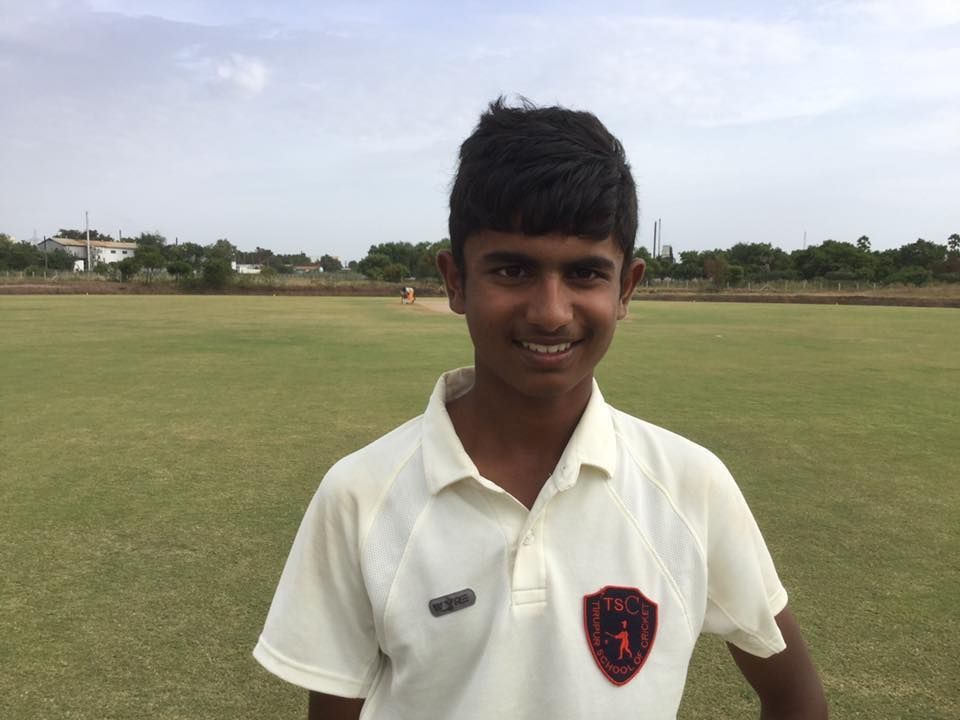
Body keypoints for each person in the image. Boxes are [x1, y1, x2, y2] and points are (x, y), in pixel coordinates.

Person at [253, 98, 827, 719]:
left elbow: (795, 699)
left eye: (584, 273)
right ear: (455, 281)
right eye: (513, 269)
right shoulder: (361, 495)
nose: (551, 311)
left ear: (626, 289)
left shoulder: (690, 485)